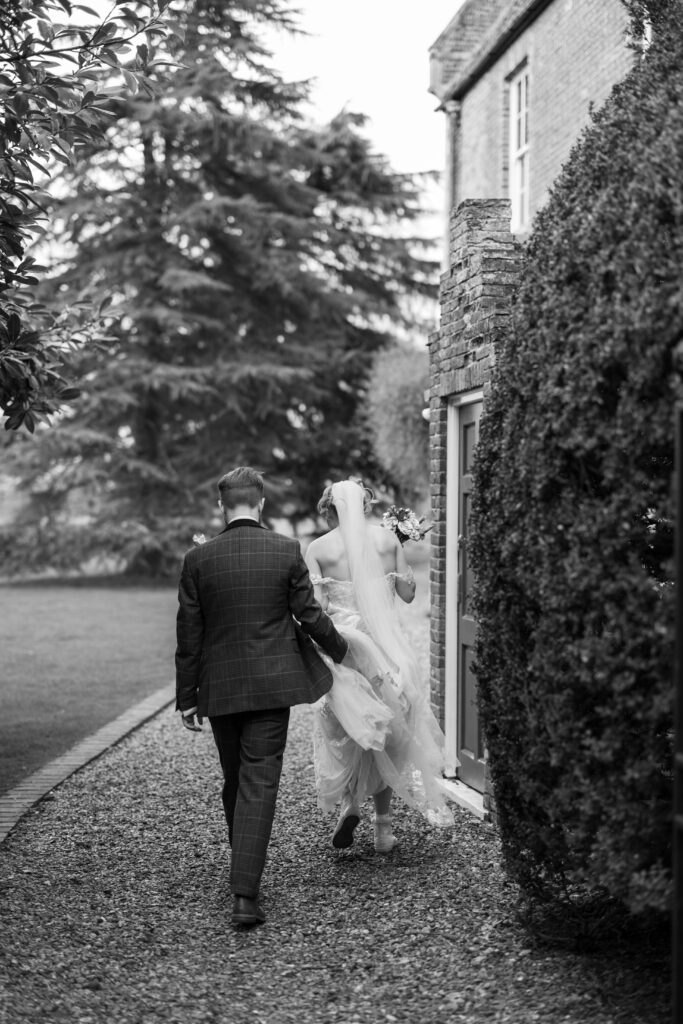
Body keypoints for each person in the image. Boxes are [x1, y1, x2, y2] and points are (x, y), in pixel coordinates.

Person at [175, 467, 348, 927]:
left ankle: (244, 885)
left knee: (237, 780)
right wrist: (343, 650)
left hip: (221, 687)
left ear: (221, 506)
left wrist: (186, 696)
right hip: (273, 684)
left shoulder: (198, 559)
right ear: (261, 504)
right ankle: (244, 888)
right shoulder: (284, 550)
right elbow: (309, 615)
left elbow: (189, 636)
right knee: (255, 782)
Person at [304, 479, 454, 854]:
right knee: (390, 729)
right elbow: (407, 594)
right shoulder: (388, 542)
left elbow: (317, 607)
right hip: (388, 650)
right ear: (366, 507)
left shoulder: (319, 548)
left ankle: (351, 804)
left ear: (329, 510)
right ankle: (383, 829)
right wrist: (383, 570)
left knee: (351, 726)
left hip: (345, 649)